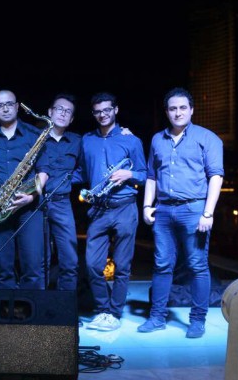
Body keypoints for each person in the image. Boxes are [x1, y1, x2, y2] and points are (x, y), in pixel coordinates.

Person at [138, 87, 223, 339]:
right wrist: (146, 206)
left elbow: (216, 176)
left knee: (197, 265)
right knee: (162, 264)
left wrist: (208, 213)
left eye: (183, 107)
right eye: (173, 108)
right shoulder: (157, 139)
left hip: (194, 209)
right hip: (163, 210)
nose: (178, 113)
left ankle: (197, 320)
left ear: (192, 110)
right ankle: (157, 318)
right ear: (166, 112)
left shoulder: (207, 138)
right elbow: (151, 176)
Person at [76, 92, 147, 331]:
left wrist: (129, 174)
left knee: (122, 266)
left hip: (125, 207)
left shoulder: (132, 140)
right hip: (98, 209)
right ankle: (102, 310)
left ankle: (114, 313)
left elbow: (144, 175)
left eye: (107, 110)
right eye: (98, 111)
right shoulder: (87, 140)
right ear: (93, 113)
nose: (103, 115)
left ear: (115, 110)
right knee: (92, 265)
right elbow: (82, 172)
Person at [0, 90, 48, 290]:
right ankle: (5, 307)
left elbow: (44, 172)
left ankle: (31, 308)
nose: (5, 108)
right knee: (2, 267)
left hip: (28, 206)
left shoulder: (34, 134)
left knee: (33, 266)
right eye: (0, 105)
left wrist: (31, 196)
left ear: (17, 106)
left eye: (9, 104)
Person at [41, 93, 82, 293]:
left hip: (62, 203)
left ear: (71, 119)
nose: (63, 113)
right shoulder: (35, 137)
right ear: (50, 112)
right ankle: (39, 304)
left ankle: (65, 305)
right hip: (36, 203)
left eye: (68, 111)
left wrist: (67, 181)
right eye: (59, 109)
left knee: (70, 260)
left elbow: (83, 169)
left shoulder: (77, 141)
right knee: (40, 259)